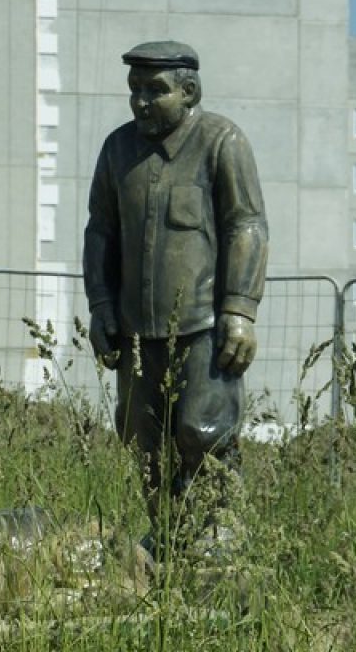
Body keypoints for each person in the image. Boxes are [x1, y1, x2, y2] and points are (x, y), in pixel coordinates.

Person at [83, 40, 268, 557]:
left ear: (189, 91)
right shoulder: (117, 149)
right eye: (134, 90)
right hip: (136, 328)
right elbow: (100, 232)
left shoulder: (221, 141)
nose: (141, 101)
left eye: (155, 90)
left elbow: (246, 225)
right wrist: (100, 305)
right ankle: (165, 528)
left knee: (202, 430)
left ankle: (219, 525)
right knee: (144, 438)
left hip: (204, 325)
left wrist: (239, 308)